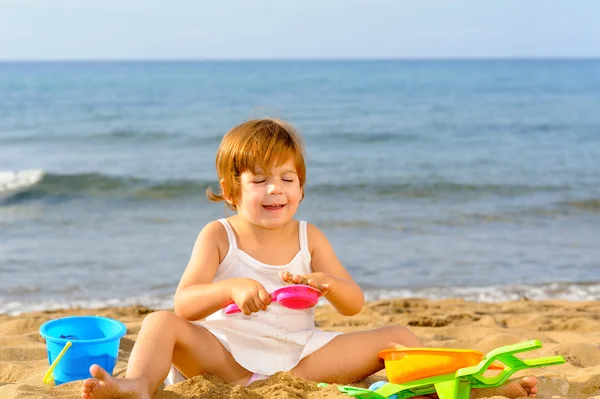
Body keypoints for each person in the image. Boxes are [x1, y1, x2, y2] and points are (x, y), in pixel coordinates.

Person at [81, 118, 539, 399]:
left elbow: (353, 303)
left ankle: (481, 383)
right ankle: (138, 386)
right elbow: (186, 303)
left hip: (300, 360)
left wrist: (326, 283)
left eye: (287, 178)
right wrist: (230, 288)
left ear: (301, 187)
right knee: (161, 322)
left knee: (399, 335)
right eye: (259, 180)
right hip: (227, 360)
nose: (275, 189)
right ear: (230, 188)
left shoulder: (309, 235)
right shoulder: (219, 235)